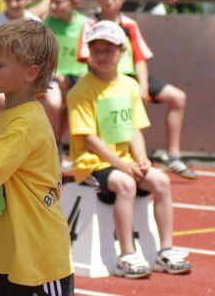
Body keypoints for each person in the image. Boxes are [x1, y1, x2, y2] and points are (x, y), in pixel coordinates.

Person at [67, 20, 191, 279]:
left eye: (109, 49)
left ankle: (165, 250)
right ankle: (127, 254)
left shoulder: (130, 86)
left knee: (161, 180)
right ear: (88, 52)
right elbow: (88, 137)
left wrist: (142, 159)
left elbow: (135, 129)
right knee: (126, 184)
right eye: (96, 49)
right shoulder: (80, 90)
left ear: (122, 52)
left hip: (124, 159)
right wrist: (122, 165)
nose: (102, 55)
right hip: (91, 163)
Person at [0, 20, 74, 295]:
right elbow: (13, 174)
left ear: (30, 73)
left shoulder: (23, 124)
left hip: (38, 257)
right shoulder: (15, 114)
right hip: (17, 252)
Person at [79, 0, 195, 179]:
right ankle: (111, 160)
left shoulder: (130, 24)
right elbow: (87, 57)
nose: (109, 1)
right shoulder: (90, 24)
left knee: (178, 97)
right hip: (104, 80)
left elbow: (140, 58)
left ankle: (173, 155)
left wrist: (142, 86)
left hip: (130, 78)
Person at [41, 0, 88, 140]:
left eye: (58, 2)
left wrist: (84, 75)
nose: (53, 6)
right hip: (54, 76)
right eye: (52, 1)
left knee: (75, 101)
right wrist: (55, 74)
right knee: (53, 103)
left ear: (74, 3)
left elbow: (92, 56)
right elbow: (41, 57)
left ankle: (57, 143)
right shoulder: (47, 24)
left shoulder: (86, 24)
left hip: (81, 77)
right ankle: (52, 145)